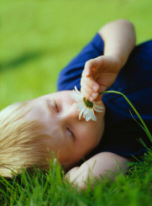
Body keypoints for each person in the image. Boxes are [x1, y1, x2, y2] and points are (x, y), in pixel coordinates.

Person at [0, 19, 152, 189]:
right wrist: (71, 182)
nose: (75, 110)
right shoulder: (115, 145)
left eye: (55, 106)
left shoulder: (75, 75)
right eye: (70, 133)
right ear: (77, 162)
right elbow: (87, 181)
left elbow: (121, 26)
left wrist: (114, 57)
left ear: (39, 97)